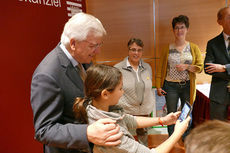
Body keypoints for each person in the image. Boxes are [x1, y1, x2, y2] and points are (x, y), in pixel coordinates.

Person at [30, 13, 123, 153]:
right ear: (73, 43)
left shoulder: (83, 59)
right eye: (93, 45)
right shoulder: (47, 75)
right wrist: (87, 132)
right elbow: (44, 130)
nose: (98, 51)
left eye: (99, 44)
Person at [73, 64, 191, 153]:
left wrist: (162, 120)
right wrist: (178, 133)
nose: (122, 92)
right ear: (105, 94)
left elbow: (127, 119)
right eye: (120, 89)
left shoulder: (93, 106)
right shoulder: (110, 133)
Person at [156, 15, 203, 138]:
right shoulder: (167, 48)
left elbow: (200, 67)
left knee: (186, 113)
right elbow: (161, 69)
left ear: (187, 29)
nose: (179, 30)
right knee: (171, 114)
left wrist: (187, 67)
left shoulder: (193, 48)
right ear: (173, 30)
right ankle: (171, 138)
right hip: (170, 86)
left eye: (182, 27)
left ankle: (185, 137)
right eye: (176, 28)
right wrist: (158, 86)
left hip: (187, 85)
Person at [114, 38, 155, 146]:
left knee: (143, 136)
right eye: (133, 50)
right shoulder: (118, 68)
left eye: (139, 50)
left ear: (142, 51)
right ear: (128, 51)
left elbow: (149, 88)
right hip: (126, 110)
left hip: (143, 110)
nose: (136, 53)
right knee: (125, 139)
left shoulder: (147, 67)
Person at [204, 6, 230, 120]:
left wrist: (224, 68)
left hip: (219, 80)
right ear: (219, 21)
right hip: (219, 94)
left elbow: (217, 69)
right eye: (229, 17)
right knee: (217, 130)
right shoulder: (212, 43)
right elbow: (208, 68)